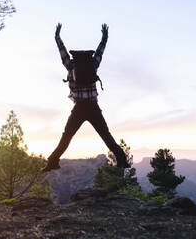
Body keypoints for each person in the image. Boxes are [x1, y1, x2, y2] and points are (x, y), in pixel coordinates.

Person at [42, 23, 130, 172]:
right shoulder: (93, 64)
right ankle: (122, 161)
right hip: (93, 106)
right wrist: (104, 37)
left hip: (79, 108)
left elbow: (62, 51)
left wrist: (57, 36)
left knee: (67, 136)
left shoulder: (70, 65)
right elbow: (100, 52)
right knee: (105, 135)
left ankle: (52, 162)